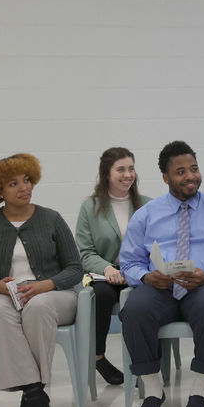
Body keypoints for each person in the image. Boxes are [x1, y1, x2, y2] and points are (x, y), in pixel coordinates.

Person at [119, 141, 204, 407]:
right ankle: (153, 390)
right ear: (166, 178)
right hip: (160, 288)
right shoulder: (146, 215)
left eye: (194, 169)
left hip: (203, 286)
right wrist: (146, 277)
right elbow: (128, 262)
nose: (190, 176)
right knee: (134, 310)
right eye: (181, 172)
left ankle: (200, 387)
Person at [0, 153, 83, 407]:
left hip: (53, 295)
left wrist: (46, 284)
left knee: (38, 307)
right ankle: (34, 393)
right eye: (13, 184)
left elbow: (74, 268)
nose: (24, 188)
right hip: (6, 295)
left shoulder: (52, 218)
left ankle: (32, 395)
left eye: (28, 180)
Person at [75, 147, 151, 385]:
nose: (128, 174)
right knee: (100, 295)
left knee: (148, 300)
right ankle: (98, 357)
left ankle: (146, 362)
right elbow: (85, 252)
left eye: (131, 168)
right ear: (106, 174)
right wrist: (108, 269)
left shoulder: (148, 205)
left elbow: (157, 247)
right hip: (103, 275)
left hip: (138, 275)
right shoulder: (90, 206)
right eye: (121, 169)